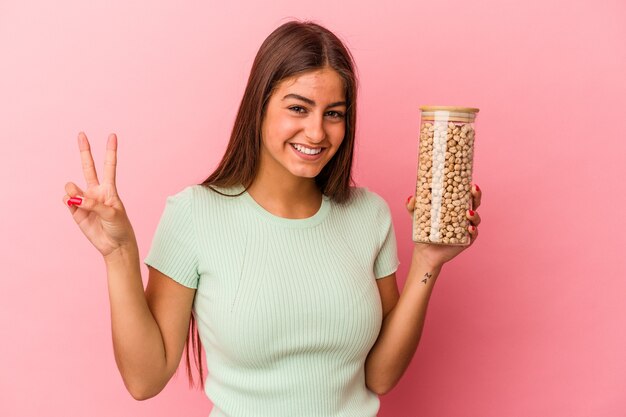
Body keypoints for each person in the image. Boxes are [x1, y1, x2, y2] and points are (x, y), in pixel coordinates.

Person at [63, 20, 482, 417]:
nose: (317, 132)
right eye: (298, 108)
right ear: (259, 107)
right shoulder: (195, 214)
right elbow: (145, 379)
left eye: (333, 113)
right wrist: (119, 253)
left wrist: (428, 261)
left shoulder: (368, 214)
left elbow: (381, 375)